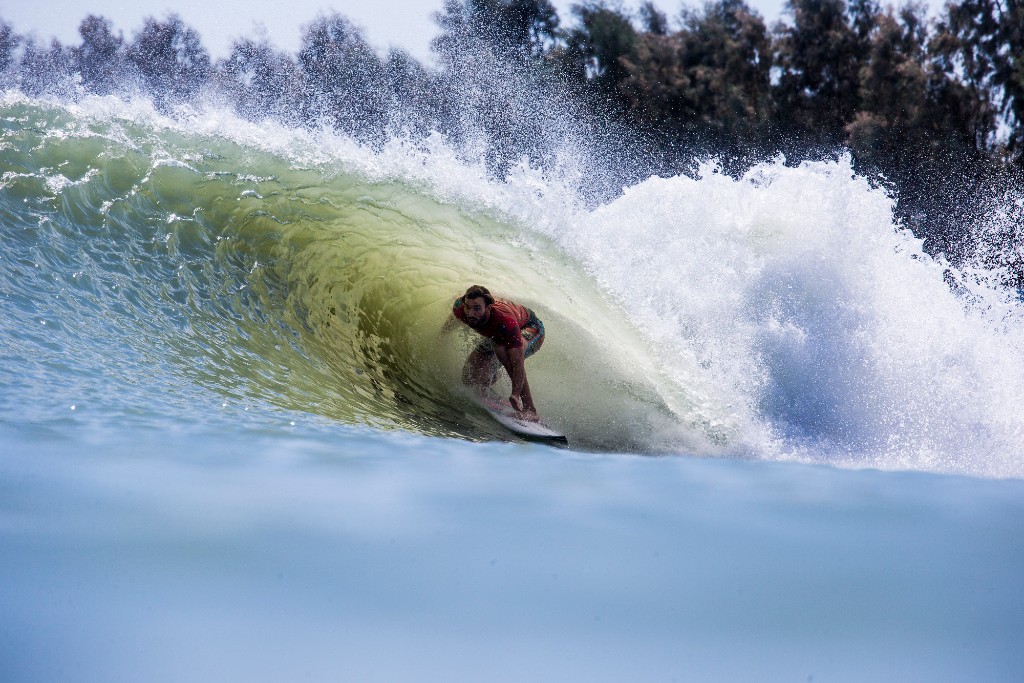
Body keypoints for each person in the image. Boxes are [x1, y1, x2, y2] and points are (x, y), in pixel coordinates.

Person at [444, 285, 545, 421]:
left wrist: (515, 394)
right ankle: (488, 380)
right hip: (497, 333)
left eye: (477, 308)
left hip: (530, 328)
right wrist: (441, 335)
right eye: (468, 307)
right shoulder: (460, 308)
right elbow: (453, 319)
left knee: (504, 353)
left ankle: (530, 409)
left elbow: (516, 365)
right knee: (468, 378)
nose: (470, 314)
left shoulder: (505, 322)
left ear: (488, 308)